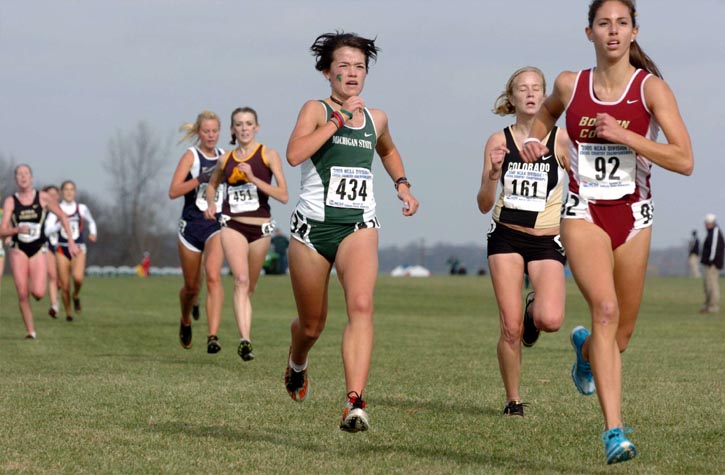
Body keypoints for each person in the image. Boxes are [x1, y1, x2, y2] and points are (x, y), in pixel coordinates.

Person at [521, 0, 693, 464]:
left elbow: (684, 159)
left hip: (634, 217)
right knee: (605, 308)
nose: (613, 32)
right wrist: (537, 139)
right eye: (604, 24)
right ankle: (614, 432)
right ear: (589, 33)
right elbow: (546, 116)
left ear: (634, 32)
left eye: (621, 24)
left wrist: (627, 136)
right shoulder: (569, 84)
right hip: (583, 213)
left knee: (619, 337)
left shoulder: (651, 89)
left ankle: (585, 353)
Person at [283, 31, 419, 433]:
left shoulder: (377, 118)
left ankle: (354, 402)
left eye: (359, 66)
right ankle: (297, 360)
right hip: (311, 230)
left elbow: (388, 150)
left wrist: (402, 184)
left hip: (358, 226)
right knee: (311, 325)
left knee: (361, 306)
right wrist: (339, 119)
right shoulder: (316, 109)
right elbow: (294, 154)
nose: (352, 73)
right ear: (327, 72)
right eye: (343, 65)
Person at [476, 66, 569, 417]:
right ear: (511, 97)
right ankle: (513, 400)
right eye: (522, 89)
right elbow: (485, 203)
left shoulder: (560, 140)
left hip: (546, 240)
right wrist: (493, 174)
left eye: (537, 88)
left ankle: (534, 312)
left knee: (551, 319)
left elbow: (582, 189)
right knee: (510, 327)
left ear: (545, 96)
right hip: (506, 236)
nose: (530, 94)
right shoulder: (498, 141)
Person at [204, 106, 288, 361]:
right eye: (239, 124)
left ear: (257, 127)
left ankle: (243, 322)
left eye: (248, 123)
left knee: (249, 286)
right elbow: (212, 185)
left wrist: (254, 178)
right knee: (240, 280)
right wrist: (211, 203)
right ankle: (245, 340)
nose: (244, 128)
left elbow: (283, 195)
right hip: (233, 224)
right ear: (232, 129)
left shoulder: (269, 155)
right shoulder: (225, 159)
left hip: (261, 227)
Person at [168, 110, 225, 353]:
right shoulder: (191, 156)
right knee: (191, 287)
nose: (210, 135)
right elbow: (173, 191)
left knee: (212, 275)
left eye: (214, 131)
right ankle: (185, 319)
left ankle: (213, 336)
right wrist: (200, 179)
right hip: (191, 227)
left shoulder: (225, 157)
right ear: (198, 133)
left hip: (216, 226)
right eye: (206, 131)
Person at [0, 165, 79, 338]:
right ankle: (31, 331)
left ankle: (34, 287)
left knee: (38, 292)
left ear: (32, 178)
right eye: (19, 174)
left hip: (38, 249)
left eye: (26, 173)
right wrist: (16, 230)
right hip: (18, 249)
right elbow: (2, 230)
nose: (23, 176)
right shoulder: (11, 201)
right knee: (22, 293)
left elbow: (62, 216)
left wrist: (72, 242)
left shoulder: (43, 198)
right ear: (16, 179)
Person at [44, 180, 97, 322]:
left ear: (75, 192)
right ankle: (68, 313)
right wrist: (58, 225)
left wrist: (93, 233)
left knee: (78, 278)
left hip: (79, 248)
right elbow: (47, 230)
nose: (69, 192)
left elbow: (91, 221)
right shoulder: (56, 209)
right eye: (66, 189)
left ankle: (76, 296)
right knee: (65, 285)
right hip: (62, 248)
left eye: (71, 189)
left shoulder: (81, 208)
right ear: (61, 192)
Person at [42, 185, 61, 318]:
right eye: (50, 194)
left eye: (55, 194)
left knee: (61, 281)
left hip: (62, 246)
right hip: (47, 245)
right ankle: (54, 306)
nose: (53, 197)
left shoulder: (63, 210)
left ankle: (57, 296)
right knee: (53, 276)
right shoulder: (42, 211)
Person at [699, 214, 723, 314]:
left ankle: (713, 306)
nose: (706, 225)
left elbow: (714, 248)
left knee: (712, 285)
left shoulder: (715, 232)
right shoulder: (711, 232)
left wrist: (710, 261)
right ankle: (708, 305)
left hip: (712, 265)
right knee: (707, 285)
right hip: (709, 264)